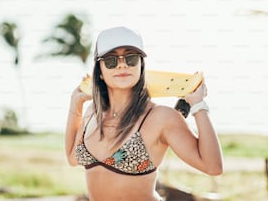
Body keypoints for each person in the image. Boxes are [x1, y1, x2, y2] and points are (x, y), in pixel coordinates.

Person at [65, 26, 223, 201]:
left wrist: (198, 105)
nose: (122, 64)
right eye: (111, 61)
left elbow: (213, 166)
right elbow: (73, 158)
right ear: (100, 71)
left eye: (131, 58)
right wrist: (75, 104)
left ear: (141, 65)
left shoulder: (161, 117)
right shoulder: (92, 114)